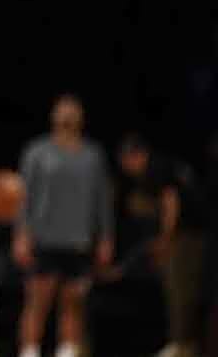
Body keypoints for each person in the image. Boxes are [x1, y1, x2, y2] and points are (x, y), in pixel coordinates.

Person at [13, 94, 114, 357]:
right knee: (37, 302)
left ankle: (67, 352)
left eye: (73, 111)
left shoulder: (93, 155)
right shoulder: (36, 152)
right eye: (63, 110)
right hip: (43, 238)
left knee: (73, 304)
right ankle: (29, 351)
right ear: (53, 115)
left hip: (79, 240)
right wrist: (21, 235)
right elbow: (24, 197)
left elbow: (102, 199)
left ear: (81, 117)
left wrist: (105, 237)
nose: (68, 115)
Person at [118, 134, 206, 357]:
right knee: (180, 285)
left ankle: (182, 343)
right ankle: (184, 342)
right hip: (192, 232)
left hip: (187, 234)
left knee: (179, 287)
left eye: (126, 162)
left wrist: (167, 237)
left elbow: (170, 199)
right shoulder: (164, 165)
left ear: (136, 156)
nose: (127, 169)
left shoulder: (155, 168)